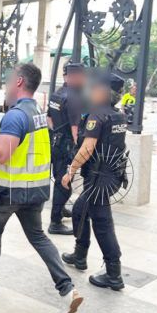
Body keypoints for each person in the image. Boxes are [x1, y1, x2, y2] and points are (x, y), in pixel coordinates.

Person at [0, 63, 83, 313]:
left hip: (7, 192)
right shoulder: (38, 112)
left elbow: (2, 155)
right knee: (38, 237)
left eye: (8, 80)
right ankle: (67, 288)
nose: (6, 85)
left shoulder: (15, 116)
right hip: (35, 191)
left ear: (19, 82)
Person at [61, 70, 128, 291]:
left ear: (104, 92)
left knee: (102, 224)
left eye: (95, 88)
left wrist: (71, 171)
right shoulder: (118, 115)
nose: (91, 91)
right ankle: (80, 255)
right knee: (80, 210)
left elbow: (87, 148)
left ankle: (114, 274)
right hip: (111, 176)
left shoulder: (97, 116)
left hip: (99, 178)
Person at [47, 61, 85, 235]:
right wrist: (78, 150)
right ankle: (55, 222)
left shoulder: (57, 94)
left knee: (59, 178)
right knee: (65, 183)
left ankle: (60, 209)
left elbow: (49, 119)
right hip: (67, 145)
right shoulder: (74, 98)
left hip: (55, 142)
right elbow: (75, 130)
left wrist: (57, 133)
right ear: (76, 77)